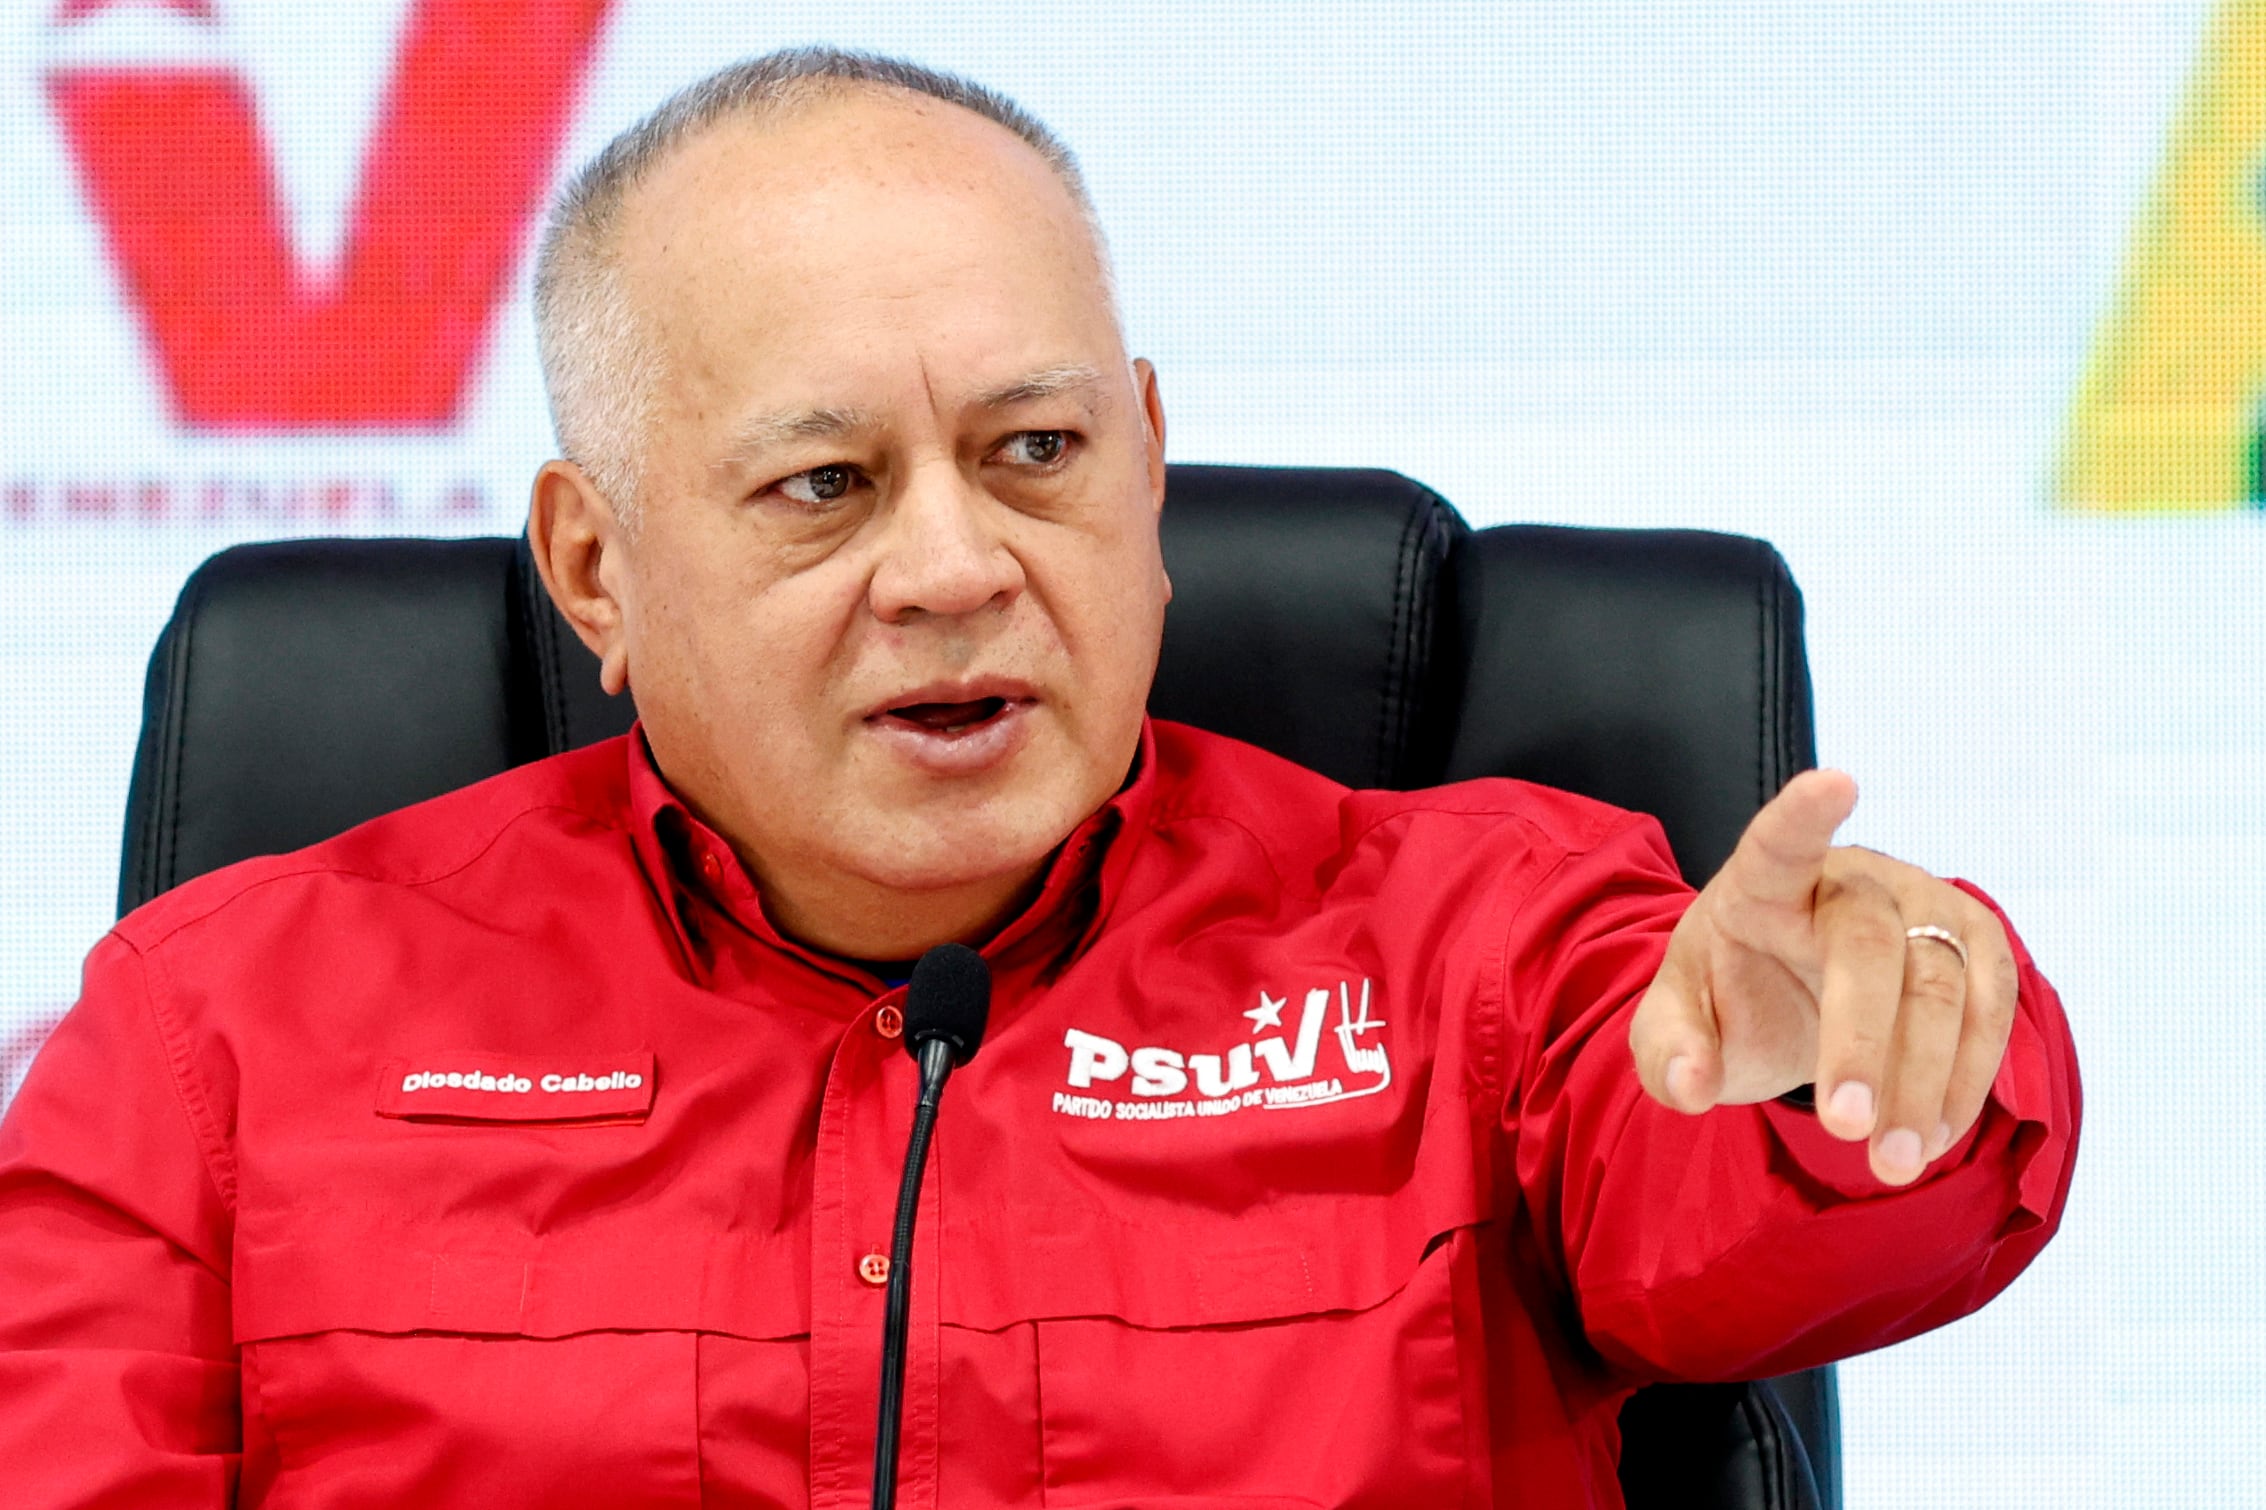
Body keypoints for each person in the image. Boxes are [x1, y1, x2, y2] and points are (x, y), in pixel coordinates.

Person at [0, 48, 2079, 1509]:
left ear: (1148, 463)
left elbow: (1776, 1219)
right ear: (595, 565)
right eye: (825, 486)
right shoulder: (215, 1039)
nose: (954, 567)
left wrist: (1853, 1061)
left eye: (1035, 454)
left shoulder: (1482, 948)